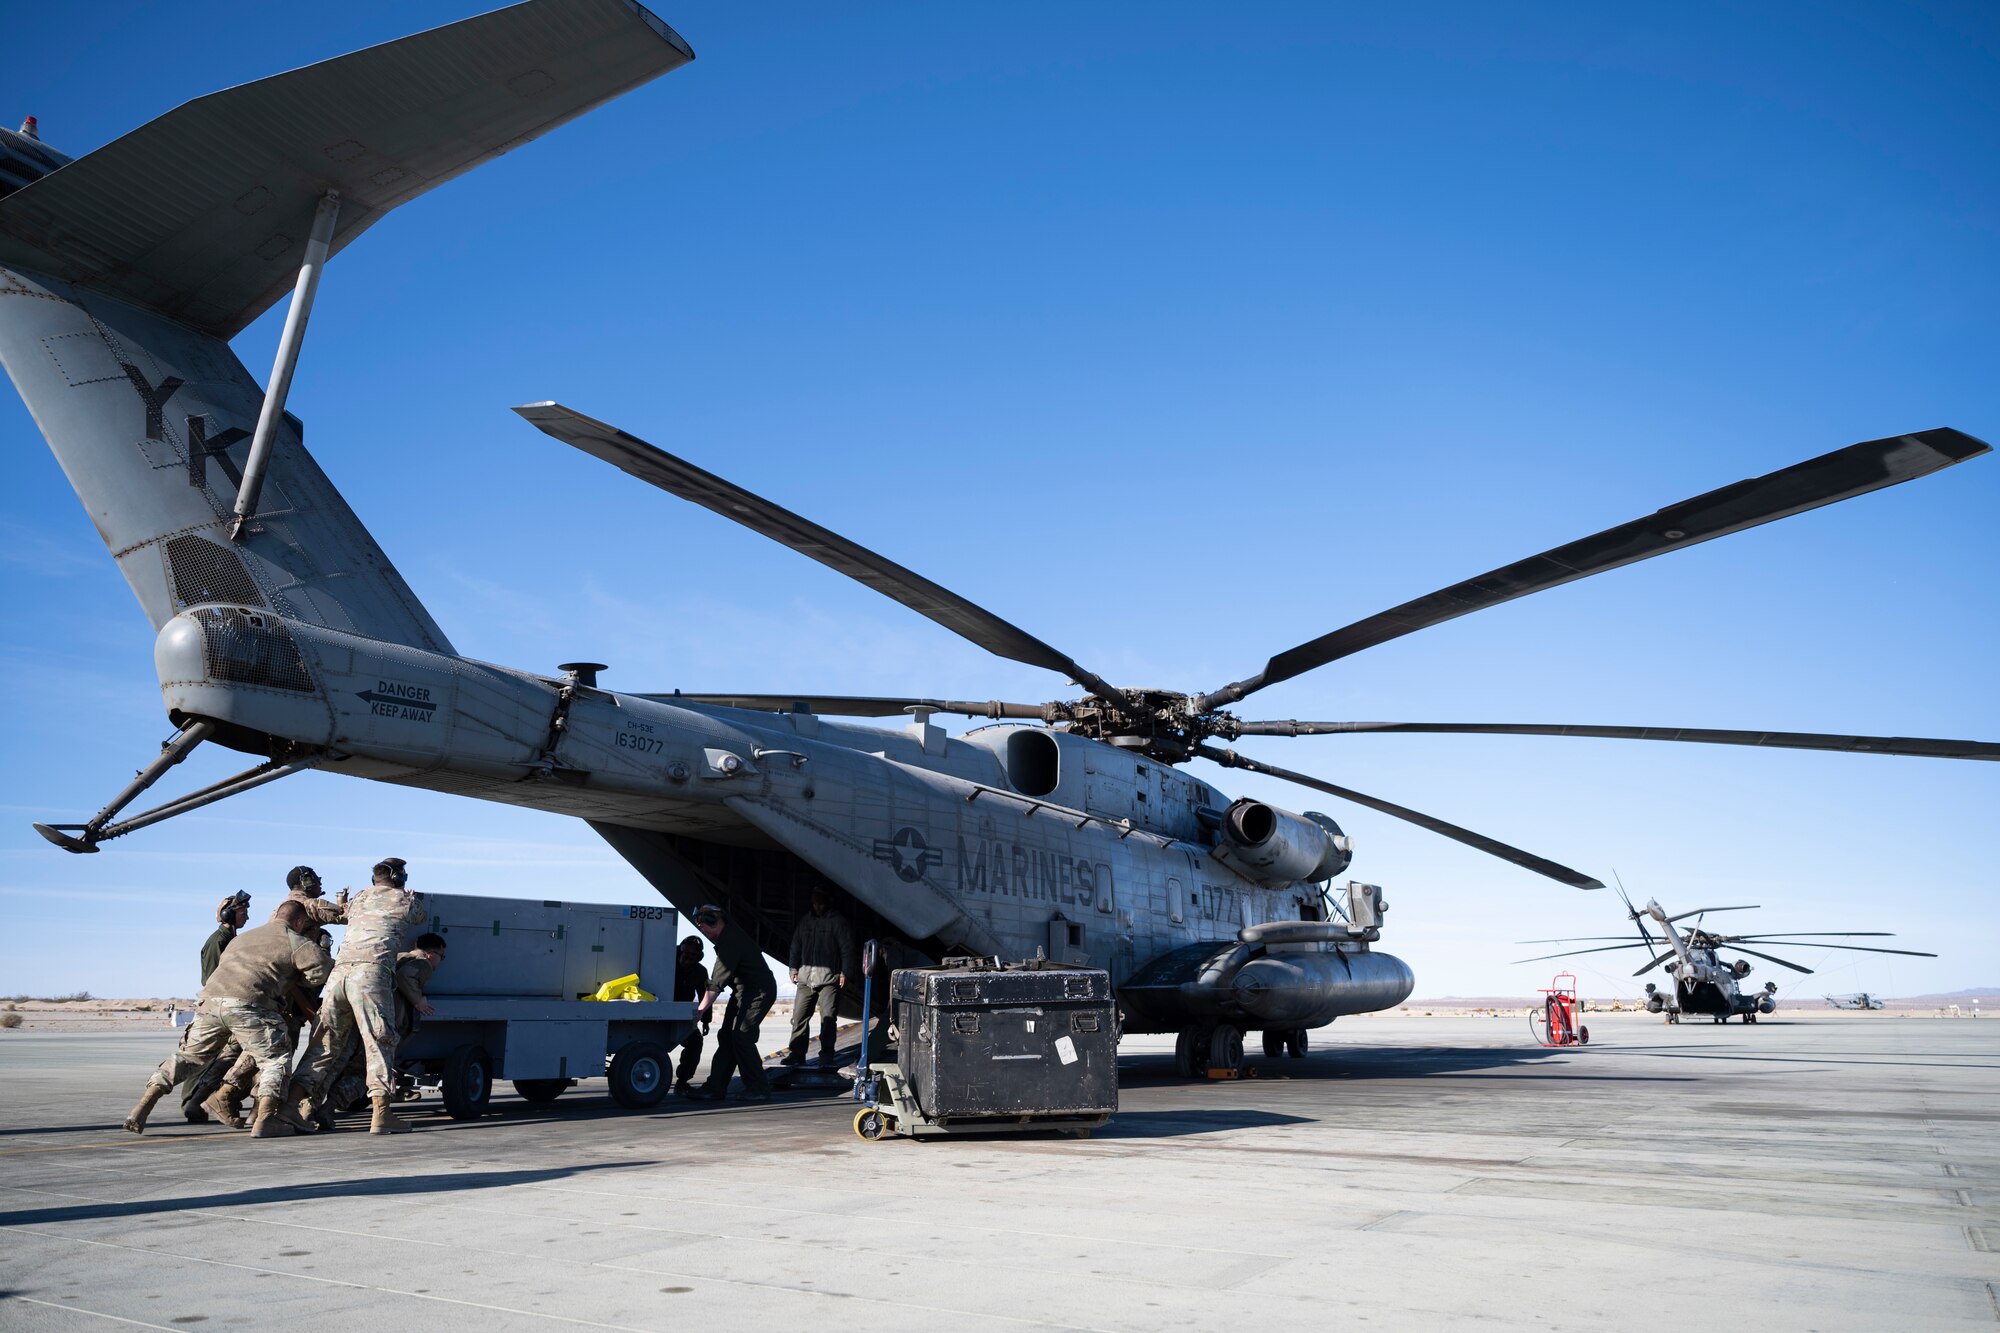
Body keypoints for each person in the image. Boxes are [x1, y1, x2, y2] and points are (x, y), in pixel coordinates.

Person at [124, 900, 331, 1138]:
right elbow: (319, 975)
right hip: (249, 1006)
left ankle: (143, 1104)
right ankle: (265, 1120)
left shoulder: (240, 939)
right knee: (275, 1059)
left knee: (188, 1057)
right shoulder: (295, 941)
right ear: (300, 922)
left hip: (210, 1004)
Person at [290, 857, 428, 1135]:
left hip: (339, 975)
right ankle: (382, 1114)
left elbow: (342, 913)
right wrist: (411, 897)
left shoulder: (361, 898)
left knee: (324, 1044)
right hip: (371, 974)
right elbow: (420, 916)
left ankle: (293, 1109)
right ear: (400, 879)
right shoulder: (405, 901)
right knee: (380, 1041)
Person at [317, 933, 443, 1129]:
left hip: (357, 1017)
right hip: (380, 1022)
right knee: (362, 1071)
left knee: (337, 1063)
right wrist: (418, 1000)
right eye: (441, 957)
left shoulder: (397, 956)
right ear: (430, 953)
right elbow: (405, 977)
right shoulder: (422, 963)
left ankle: (307, 1107)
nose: (440, 962)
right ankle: (329, 1108)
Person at [686, 904, 775, 1103]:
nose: (703, 931)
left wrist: (700, 1011)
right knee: (727, 1036)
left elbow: (716, 984)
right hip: (743, 991)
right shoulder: (727, 938)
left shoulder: (730, 942)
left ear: (715, 922)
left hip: (759, 991)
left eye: (703, 927)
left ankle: (759, 1088)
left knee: (742, 1036)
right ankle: (714, 1088)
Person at [182, 891, 253, 1123]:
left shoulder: (232, 940)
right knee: (206, 1056)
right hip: (216, 1005)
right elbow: (212, 979)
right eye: (243, 912)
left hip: (227, 1002)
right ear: (229, 914)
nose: (247, 917)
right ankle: (192, 1102)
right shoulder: (218, 941)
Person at [784, 886, 856, 1069]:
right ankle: (796, 1054)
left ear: (827, 903)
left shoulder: (837, 922)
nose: (817, 907)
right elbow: (795, 946)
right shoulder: (805, 921)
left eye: (821, 904)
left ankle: (826, 1057)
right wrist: (793, 969)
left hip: (829, 979)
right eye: (815, 904)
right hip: (805, 978)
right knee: (799, 1017)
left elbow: (847, 950)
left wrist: (845, 974)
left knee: (828, 1019)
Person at [670, 935, 710, 1094]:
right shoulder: (665, 963)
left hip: (683, 1016)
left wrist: (706, 1020)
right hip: (658, 1015)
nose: (687, 957)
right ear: (680, 951)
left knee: (695, 1042)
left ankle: (682, 1081)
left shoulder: (700, 972)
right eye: (685, 953)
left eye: (693, 955)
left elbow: (704, 996)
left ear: (698, 957)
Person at [280, 865, 347, 928]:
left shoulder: (281, 907)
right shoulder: (309, 904)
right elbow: (346, 916)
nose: (320, 884)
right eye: (317, 880)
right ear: (306, 882)